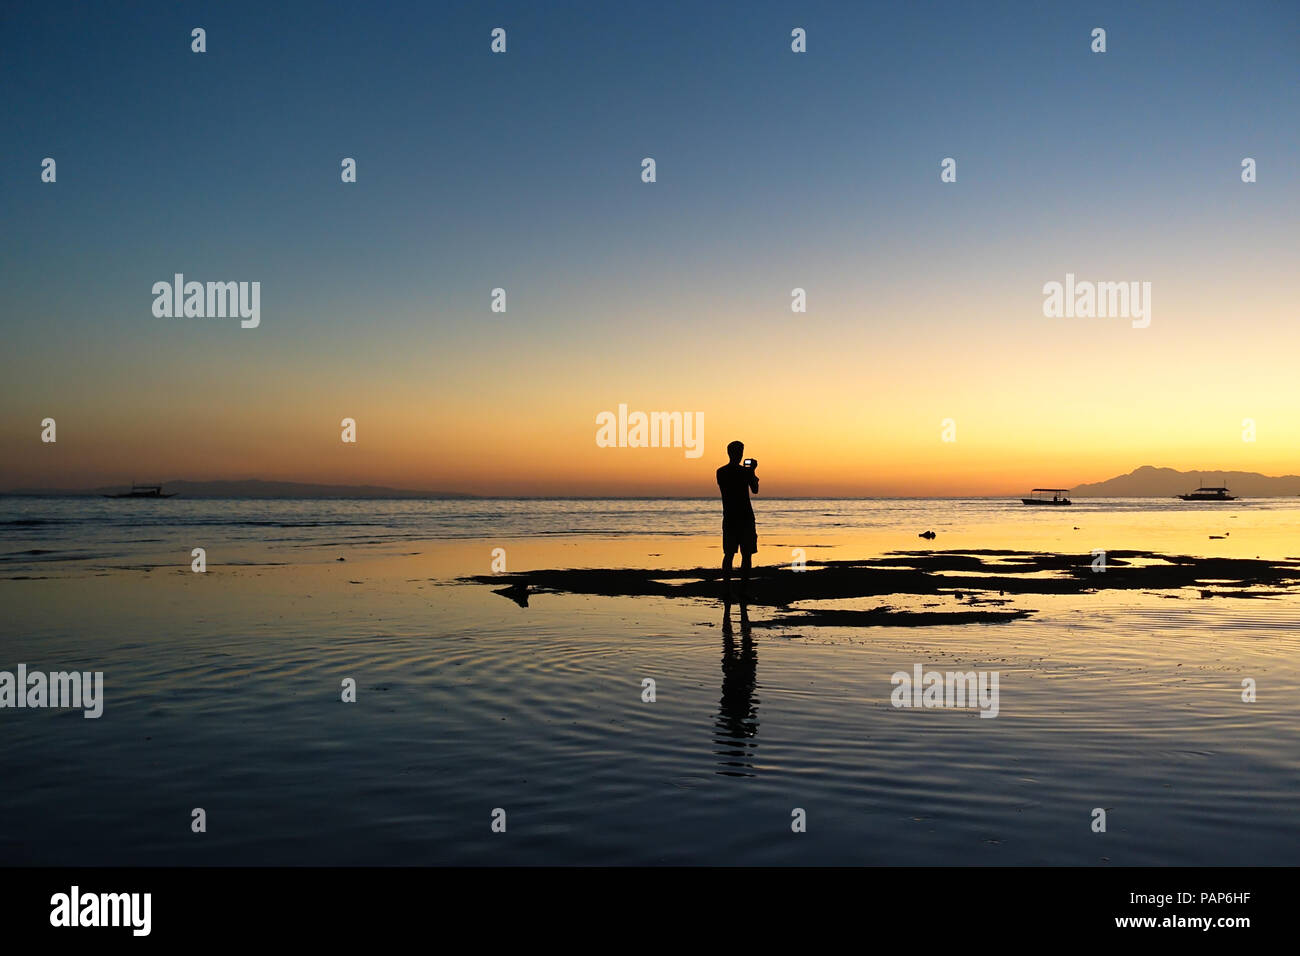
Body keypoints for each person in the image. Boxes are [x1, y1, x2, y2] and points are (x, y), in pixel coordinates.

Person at [716, 440, 758, 596]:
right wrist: (751, 471)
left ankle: (728, 590)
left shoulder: (721, 472)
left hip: (731, 518)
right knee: (745, 555)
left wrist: (749, 472)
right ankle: (742, 591)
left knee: (729, 554)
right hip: (744, 518)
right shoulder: (743, 472)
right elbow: (755, 489)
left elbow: (754, 489)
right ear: (737, 453)